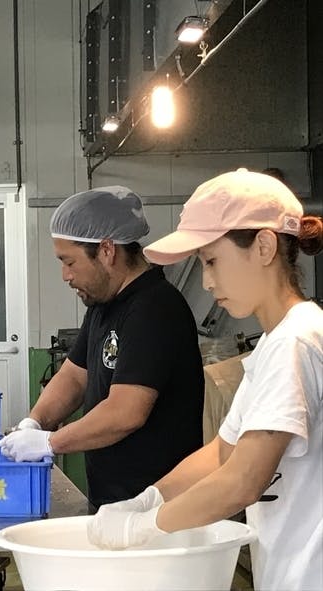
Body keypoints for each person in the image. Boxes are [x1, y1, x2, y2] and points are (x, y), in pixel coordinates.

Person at [88, 169, 323, 591]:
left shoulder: (295, 342)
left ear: (264, 246)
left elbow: (242, 481)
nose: (207, 282)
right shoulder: (276, 343)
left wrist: (145, 527)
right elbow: (221, 454)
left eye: (212, 261)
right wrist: (150, 498)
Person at [0, 186, 205, 508]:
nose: (65, 275)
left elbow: (125, 413)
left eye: (69, 262)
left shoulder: (154, 308)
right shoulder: (104, 304)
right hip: (113, 499)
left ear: (107, 250)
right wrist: (34, 422)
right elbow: (73, 377)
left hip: (155, 505)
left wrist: (50, 442)